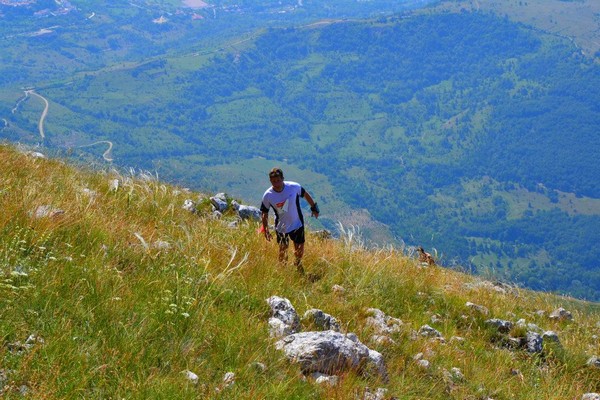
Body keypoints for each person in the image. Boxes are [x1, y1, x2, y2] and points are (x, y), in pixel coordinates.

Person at [260, 167, 319, 273]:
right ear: (270, 181)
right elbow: (264, 213)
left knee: (299, 249)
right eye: (273, 181)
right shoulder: (268, 195)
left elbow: (305, 194)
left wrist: (314, 207)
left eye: (278, 180)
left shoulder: (293, 187)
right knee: (283, 249)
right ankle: (282, 269)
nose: (276, 184)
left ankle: (297, 263)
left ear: (283, 178)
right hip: (282, 227)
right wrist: (266, 230)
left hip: (297, 223)